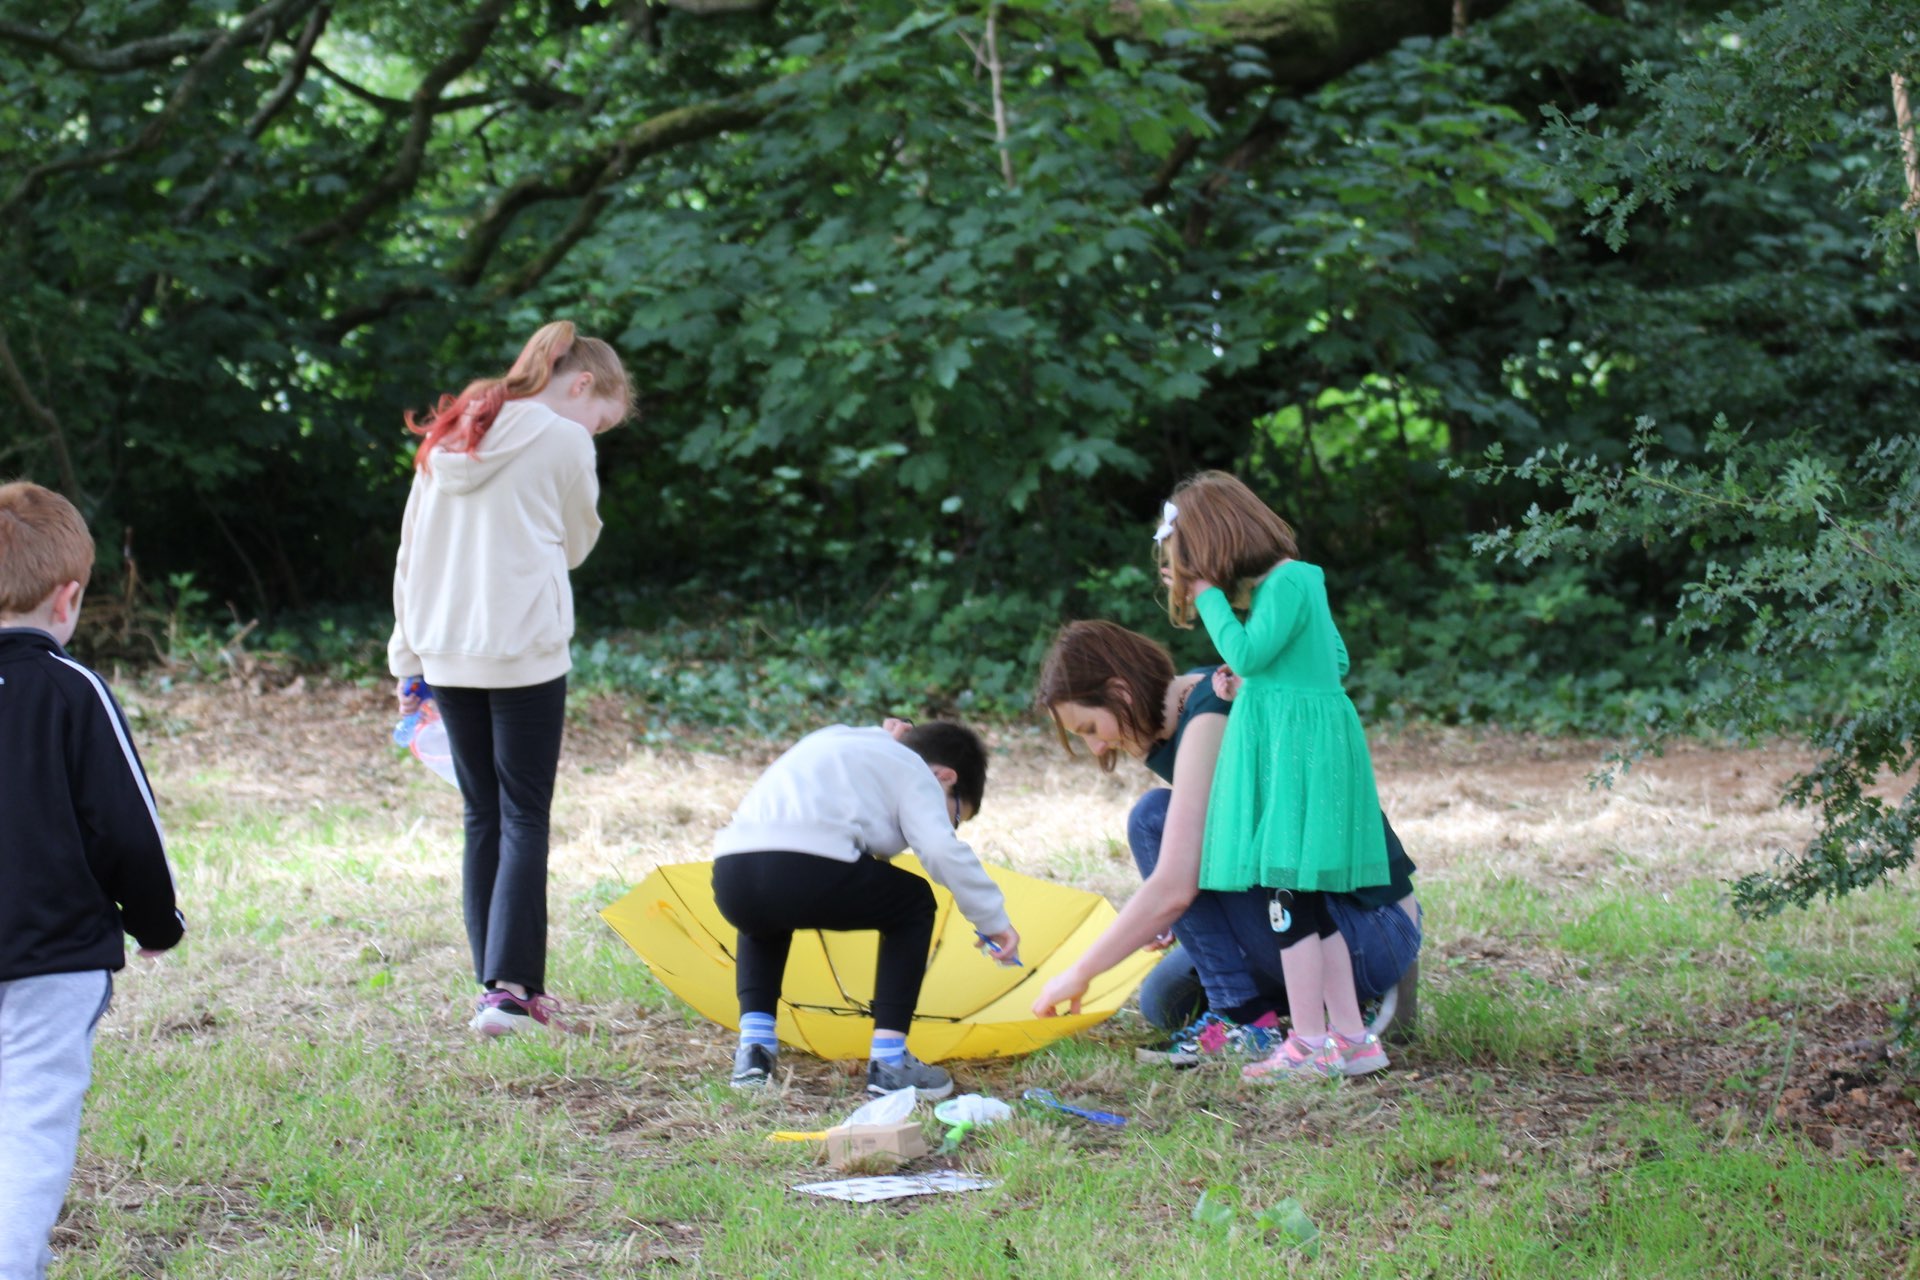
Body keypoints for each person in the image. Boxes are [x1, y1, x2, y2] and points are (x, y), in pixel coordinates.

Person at [1030, 621, 1419, 1070]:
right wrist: (1197, 912)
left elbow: (1174, 884)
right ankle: (1277, 1011)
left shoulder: (1212, 714)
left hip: (1368, 926)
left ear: (1121, 691)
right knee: (1164, 1002)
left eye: (1089, 727)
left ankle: (1264, 1018)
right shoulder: (1181, 713)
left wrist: (1079, 974)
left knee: (1152, 819)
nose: (1096, 747)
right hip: (1304, 915)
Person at [388, 320, 630, 1036]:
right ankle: (515, 993)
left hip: (445, 649)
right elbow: (579, 542)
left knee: (482, 813)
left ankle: (492, 988)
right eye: (602, 419)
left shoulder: (455, 430)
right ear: (582, 384)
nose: (596, 432)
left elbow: (410, 552)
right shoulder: (563, 440)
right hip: (523, 645)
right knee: (524, 813)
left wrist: (407, 661)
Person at [0, 482, 184, 1278]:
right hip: (53, 957)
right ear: (68, 596)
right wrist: (157, 923)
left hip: (50, 955)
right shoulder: (75, 691)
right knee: (31, 1121)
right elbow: (128, 828)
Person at [1157, 470, 1392, 1080]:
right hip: (1295, 745)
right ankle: (1352, 1039)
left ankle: (1310, 1042)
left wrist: (1210, 597)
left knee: (1285, 899)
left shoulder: (1288, 579)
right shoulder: (1291, 585)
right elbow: (1330, 658)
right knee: (1305, 903)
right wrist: (1259, 682)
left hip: (1296, 755)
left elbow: (1250, 654)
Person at [711, 718, 1021, 1100]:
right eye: (955, 817)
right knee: (914, 902)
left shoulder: (840, 739)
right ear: (945, 778)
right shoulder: (916, 770)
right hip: (805, 869)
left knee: (767, 912)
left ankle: (754, 1053)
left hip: (732, 874)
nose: (949, 825)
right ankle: (890, 1061)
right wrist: (992, 920)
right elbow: (940, 851)